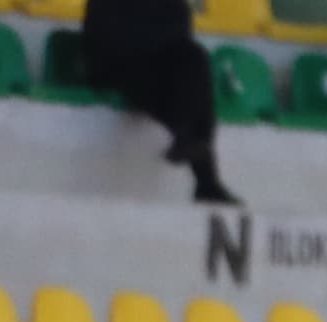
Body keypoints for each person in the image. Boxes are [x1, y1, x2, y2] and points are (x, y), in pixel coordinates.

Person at [75, 0, 234, 205]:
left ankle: (201, 166)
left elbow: (180, 26)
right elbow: (104, 37)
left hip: (153, 60)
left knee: (195, 60)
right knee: (171, 82)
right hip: (114, 65)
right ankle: (192, 150)